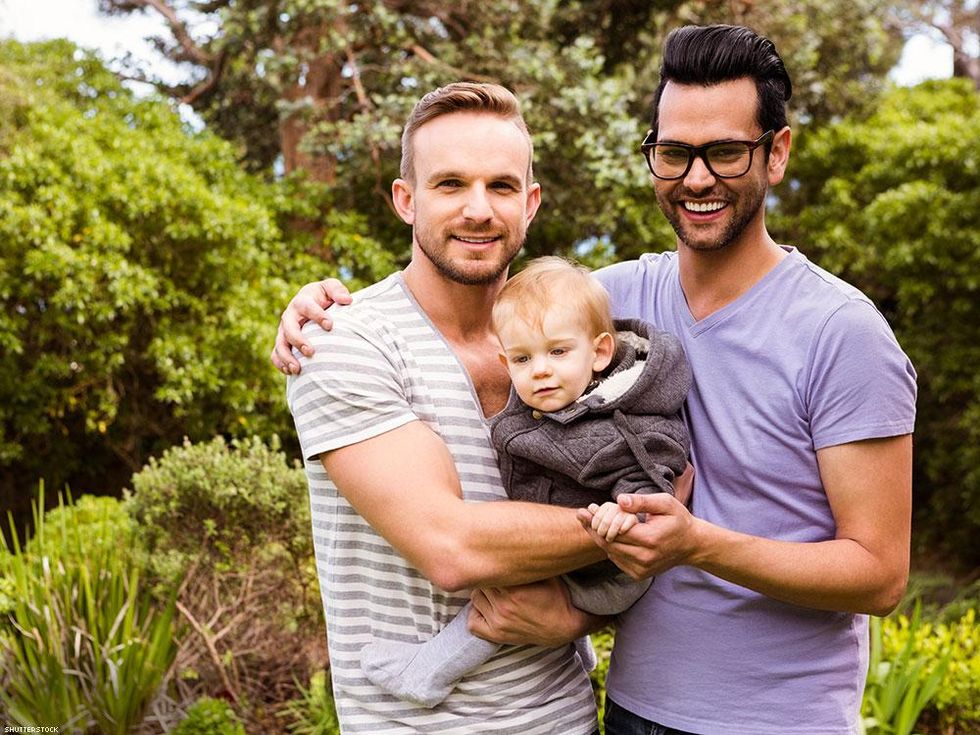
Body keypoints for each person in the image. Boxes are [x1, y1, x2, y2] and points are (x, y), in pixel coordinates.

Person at [274, 25, 916, 735]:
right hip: (628, 711)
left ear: (777, 152)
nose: (697, 178)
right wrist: (319, 309)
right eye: (674, 153)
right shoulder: (611, 302)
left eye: (726, 152)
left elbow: (881, 575)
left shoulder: (843, 332)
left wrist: (692, 542)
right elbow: (491, 303)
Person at [284, 81, 611, 734]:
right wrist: (647, 521)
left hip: (567, 719)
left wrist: (580, 614)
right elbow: (452, 548)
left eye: (501, 186)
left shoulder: (565, 342)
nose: (478, 209)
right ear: (406, 199)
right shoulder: (345, 341)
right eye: (451, 184)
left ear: (530, 202)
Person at [358, 256, 691, 708]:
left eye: (558, 352)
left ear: (599, 353)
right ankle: (577, 644)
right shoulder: (557, 399)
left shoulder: (619, 425)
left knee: (502, 597)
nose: (540, 370)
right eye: (522, 358)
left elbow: (653, 477)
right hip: (570, 563)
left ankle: (427, 671)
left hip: (609, 574)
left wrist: (625, 511)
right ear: (505, 362)